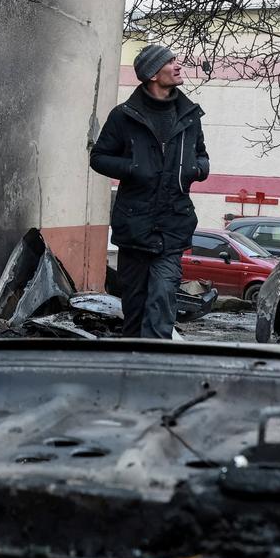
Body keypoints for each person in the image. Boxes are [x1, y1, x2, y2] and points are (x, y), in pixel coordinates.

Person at [89, 45, 209, 338]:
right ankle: (129, 368)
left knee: (162, 301)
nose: (178, 65)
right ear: (153, 74)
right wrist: (133, 168)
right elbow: (99, 158)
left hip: (172, 226)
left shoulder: (189, 115)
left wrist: (196, 169)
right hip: (135, 226)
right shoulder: (124, 116)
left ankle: (153, 369)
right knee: (136, 308)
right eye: (170, 61)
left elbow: (202, 156)